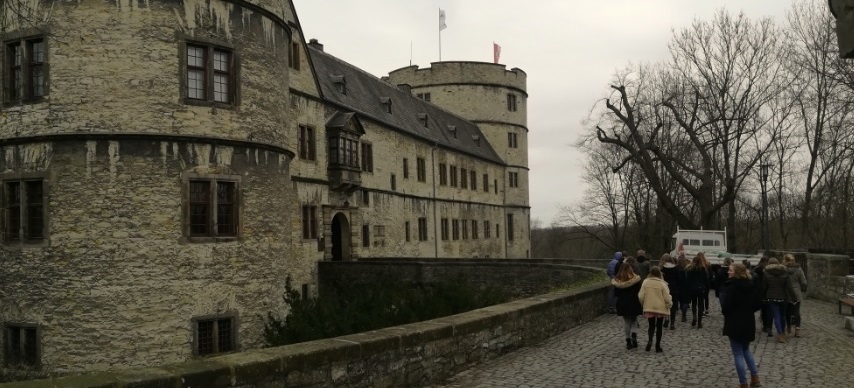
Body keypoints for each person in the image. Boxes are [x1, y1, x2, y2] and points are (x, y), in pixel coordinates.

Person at [722, 263, 762, 388]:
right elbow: (757, 305)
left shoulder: (732, 288)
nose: (728, 272)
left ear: (736, 273)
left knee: (738, 353)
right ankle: (755, 378)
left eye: (730, 270)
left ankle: (743, 383)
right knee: (745, 350)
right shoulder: (752, 286)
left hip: (735, 323)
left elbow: (726, 308)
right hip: (748, 321)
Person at [638, 266, 672, 352]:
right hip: (660, 307)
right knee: (659, 326)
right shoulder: (662, 283)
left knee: (651, 325)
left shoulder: (645, 282)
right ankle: (657, 345)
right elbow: (667, 298)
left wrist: (643, 304)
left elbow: (641, 296)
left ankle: (650, 340)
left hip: (649, 307)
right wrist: (669, 304)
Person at [762, 258, 796, 343]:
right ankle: (783, 333)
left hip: (771, 297)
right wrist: (794, 298)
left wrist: (763, 297)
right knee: (782, 316)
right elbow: (790, 287)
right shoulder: (785, 272)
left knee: (776, 316)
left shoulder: (766, 273)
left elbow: (764, 287)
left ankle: (780, 334)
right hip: (783, 297)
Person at [612, 262, 643, 349]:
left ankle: (628, 341)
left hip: (623, 302)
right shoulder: (635, 279)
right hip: (634, 301)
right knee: (634, 321)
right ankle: (634, 336)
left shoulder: (618, 279)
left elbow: (616, 294)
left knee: (626, 322)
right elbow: (639, 291)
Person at [783, 254, 807, 338]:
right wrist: (801, 288)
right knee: (796, 311)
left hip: (786, 292)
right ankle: (797, 329)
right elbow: (804, 282)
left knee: (787, 311)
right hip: (796, 293)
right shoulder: (799, 269)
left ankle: (788, 327)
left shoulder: (783, 269)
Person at [685, 255, 711, 328]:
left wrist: (688, 288)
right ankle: (699, 322)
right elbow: (706, 280)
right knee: (700, 305)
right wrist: (707, 288)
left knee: (694, 303)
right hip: (701, 288)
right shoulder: (703, 269)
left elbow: (688, 280)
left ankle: (694, 316)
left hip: (692, 288)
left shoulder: (690, 269)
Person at [660, 254, 684, 330]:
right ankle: (672, 323)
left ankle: (666, 318)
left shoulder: (661, 268)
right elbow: (680, 279)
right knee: (673, 306)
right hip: (674, 289)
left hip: (664, 289)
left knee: (664, 305)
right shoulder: (676, 268)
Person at [752, 256, 772, 336]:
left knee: (766, 310)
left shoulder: (766, 270)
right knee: (764, 310)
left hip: (766, 291)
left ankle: (766, 325)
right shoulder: (758, 270)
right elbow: (758, 282)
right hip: (761, 292)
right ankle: (765, 325)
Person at [676, 254, 691, 323]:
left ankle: (681, 312)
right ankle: (684, 314)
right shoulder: (687, 270)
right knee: (685, 301)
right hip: (686, 287)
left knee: (681, 301)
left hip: (678, 287)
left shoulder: (676, 269)